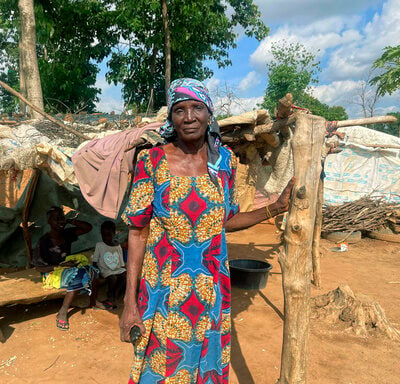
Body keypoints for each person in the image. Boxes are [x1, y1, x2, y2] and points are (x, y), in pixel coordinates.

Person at [119, 78, 295, 383]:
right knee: (161, 369)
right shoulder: (151, 161)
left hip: (210, 291)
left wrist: (275, 208)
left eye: (196, 107)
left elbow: (223, 221)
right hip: (163, 291)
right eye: (180, 109)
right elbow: (137, 233)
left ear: (209, 113)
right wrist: (129, 302)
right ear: (171, 118)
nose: (189, 117)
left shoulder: (223, 163)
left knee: (205, 369)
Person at [33, 206, 107, 331]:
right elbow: (39, 268)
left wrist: (69, 221)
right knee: (80, 274)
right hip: (52, 274)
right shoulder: (44, 241)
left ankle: (93, 302)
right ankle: (62, 311)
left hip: (67, 270)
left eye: (62, 217)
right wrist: (59, 266)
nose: (60, 221)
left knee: (93, 270)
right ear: (49, 221)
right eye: (57, 219)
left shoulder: (66, 234)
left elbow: (87, 228)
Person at [92, 220, 127, 309]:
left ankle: (116, 294)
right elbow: (95, 260)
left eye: (108, 235)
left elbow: (121, 262)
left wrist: (123, 269)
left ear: (114, 233)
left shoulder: (118, 246)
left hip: (117, 269)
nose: (106, 238)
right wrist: (97, 272)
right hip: (105, 270)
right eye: (103, 235)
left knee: (124, 275)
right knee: (113, 278)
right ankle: (111, 294)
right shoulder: (99, 245)